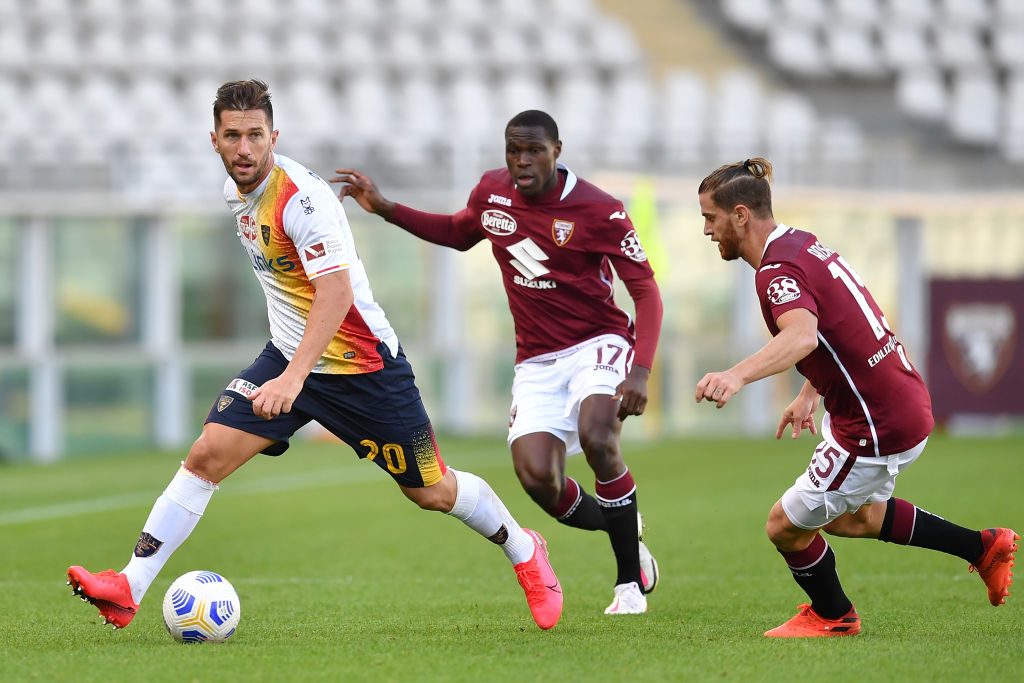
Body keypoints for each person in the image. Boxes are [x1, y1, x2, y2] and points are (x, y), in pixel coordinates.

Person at [66, 80, 562, 632]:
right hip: (289, 354)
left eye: (256, 135)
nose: (245, 148)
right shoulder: (237, 191)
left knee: (432, 490)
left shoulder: (302, 199)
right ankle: (129, 587)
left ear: (274, 136)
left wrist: (292, 381)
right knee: (208, 454)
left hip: (362, 368)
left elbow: (336, 293)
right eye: (233, 136)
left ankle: (524, 549)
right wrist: (289, 370)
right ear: (214, 140)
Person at [331, 110, 664, 615]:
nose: (522, 160)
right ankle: (624, 526)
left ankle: (628, 586)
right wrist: (384, 207)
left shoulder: (600, 209)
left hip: (599, 342)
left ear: (558, 149)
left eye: (534, 150)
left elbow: (645, 291)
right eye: (514, 150)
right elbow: (458, 233)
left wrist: (639, 370)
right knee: (538, 481)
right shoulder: (492, 192)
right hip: (536, 361)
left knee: (599, 436)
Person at [694, 157, 1018, 637]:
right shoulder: (801, 242)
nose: (706, 231)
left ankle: (834, 615)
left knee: (784, 525)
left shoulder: (776, 269)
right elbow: (839, 324)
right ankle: (983, 546)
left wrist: (737, 376)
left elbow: (803, 336)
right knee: (855, 518)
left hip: (875, 421)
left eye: (710, 218)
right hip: (898, 398)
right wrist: (810, 392)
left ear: (740, 215)